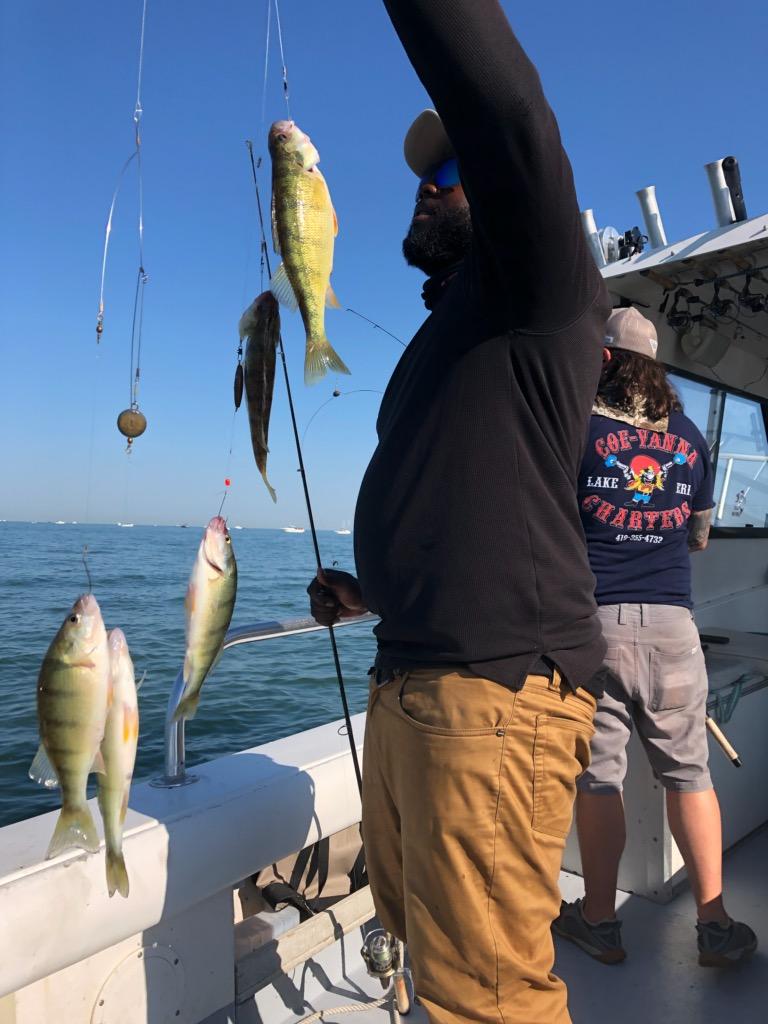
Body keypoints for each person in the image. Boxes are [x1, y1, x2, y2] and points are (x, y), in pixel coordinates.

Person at [309, 2, 611, 1020]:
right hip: (415, 678)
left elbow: (509, 112)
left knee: (486, 995)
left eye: (448, 173)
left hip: (491, 690)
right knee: (424, 953)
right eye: (422, 177)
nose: (427, 188)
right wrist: (368, 588)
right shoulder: (455, 335)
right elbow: (471, 496)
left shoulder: (545, 285)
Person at [554, 307, 758, 968]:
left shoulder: (577, 430)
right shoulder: (693, 438)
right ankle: (716, 923)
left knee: (600, 779)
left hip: (597, 626)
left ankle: (600, 921)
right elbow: (696, 536)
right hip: (674, 627)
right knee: (689, 774)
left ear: (605, 361)